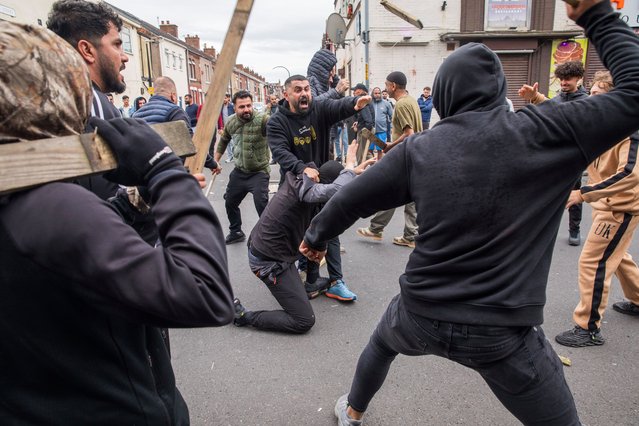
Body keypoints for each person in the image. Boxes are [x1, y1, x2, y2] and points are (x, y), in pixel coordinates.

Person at [299, 2, 639, 424]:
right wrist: (596, 15)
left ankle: (351, 413)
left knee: (382, 344)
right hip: (501, 333)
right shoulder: (550, 130)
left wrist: (314, 240)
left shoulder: (418, 150)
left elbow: (349, 200)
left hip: (419, 312)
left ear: (442, 96)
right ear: (499, 90)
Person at [0, 21, 234, 425]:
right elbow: (204, 293)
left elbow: (60, 257)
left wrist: (132, 204)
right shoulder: (49, 204)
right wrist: (165, 174)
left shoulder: (27, 202)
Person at [233, 143, 374, 333]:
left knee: (317, 240)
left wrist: (350, 174)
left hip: (275, 250)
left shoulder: (305, 183)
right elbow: (334, 191)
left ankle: (309, 284)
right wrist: (348, 168)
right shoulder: (305, 192)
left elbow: (333, 194)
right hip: (268, 262)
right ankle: (244, 316)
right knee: (303, 320)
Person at [267, 74, 371, 301]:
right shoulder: (277, 122)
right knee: (297, 232)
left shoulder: (318, 108)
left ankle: (336, 281)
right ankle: (301, 276)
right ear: (286, 95)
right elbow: (280, 152)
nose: (304, 93)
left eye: (306, 89)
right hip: (295, 186)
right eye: (297, 90)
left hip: (323, 178)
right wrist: (301, 167)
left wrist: (354, 103)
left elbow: (336, 107)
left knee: (329, 227)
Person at [554, 71, 639, 347]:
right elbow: (561, 114)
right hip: (607, 204)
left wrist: (584, 193)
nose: (590, 100)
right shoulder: (604, 123)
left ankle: (588, 327)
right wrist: (536, 98)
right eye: (590, 94)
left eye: (598, 96)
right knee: (617, 256)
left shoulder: (630, 130)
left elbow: (630, 174)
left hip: (620, 207)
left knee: (594, 261)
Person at [47, 0, 128, 201]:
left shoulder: (51, 99)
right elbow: (110, 200)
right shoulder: (92, 103)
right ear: (87, 50)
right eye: (117, 44)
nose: (124, 57)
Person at [519, 60, 588, 246]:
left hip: (575, 156)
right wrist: (534, 98)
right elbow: (549, 113)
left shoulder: (587, 102)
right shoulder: (557, 99)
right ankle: (543, 231)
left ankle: (575, 229)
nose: (564, 83)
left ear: (579, 78)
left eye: (568, 79)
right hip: (555, 154)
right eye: (562, 79)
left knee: (575, 195)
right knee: (547, 194)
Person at [356, 71, 422, 249]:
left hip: (404, 156)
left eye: (386, 85)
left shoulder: (400, 105)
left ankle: (376, 229)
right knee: (409, 197)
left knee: (390, 192)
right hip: (415, 154)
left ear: (393, 86)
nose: (385, 88)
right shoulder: (412, 100)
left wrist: (390, 145)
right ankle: (410, 236)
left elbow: (409, 134)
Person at [214, 90, 271, 244]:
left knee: (262, 204)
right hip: (239, 172)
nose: (246, 109)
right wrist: (215, 161)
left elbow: (278, 134)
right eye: (242, 107)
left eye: (249, 106)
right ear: (234, 107)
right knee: (230, 202)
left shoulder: (263, 120)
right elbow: (224, 140)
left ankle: (268, 236)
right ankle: (236, 231)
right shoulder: (231, 122)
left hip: (259, 172)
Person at [350, 83, 375, 162]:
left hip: (365, 130)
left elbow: (368, 120)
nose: (354, 93)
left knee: (360, 154)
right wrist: (358, 122)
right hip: (366, 129)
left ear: (360, 91)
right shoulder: (365, 99)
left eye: (355, 91)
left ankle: (361, 171)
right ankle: (377, 166)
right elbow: (365, 117)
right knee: (365, 153)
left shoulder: (363, 100)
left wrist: (363, 131)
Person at [370, 86, 393, 161]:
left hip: (382, 131)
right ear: (372, 94)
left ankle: (379, 165)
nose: (377, 94)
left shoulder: (386, 104)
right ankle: (372, 165)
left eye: (379, 93)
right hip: (370, 131)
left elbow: (392, 116)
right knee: (369, 150)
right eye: (375, 93)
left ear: (381, 94)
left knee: (380, 150)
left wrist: (392, 127)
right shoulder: (369, 103)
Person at [218, 93, 236, 162]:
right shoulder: (221, 107)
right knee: (226, 142)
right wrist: (220, 127)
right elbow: (219, 118)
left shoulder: (232, 106)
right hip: (224, 127)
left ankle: (235, 156)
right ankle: (230, 156)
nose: (223, 99)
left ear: (228, 99)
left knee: (233, 142)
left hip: (232, 126)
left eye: (225, 98)